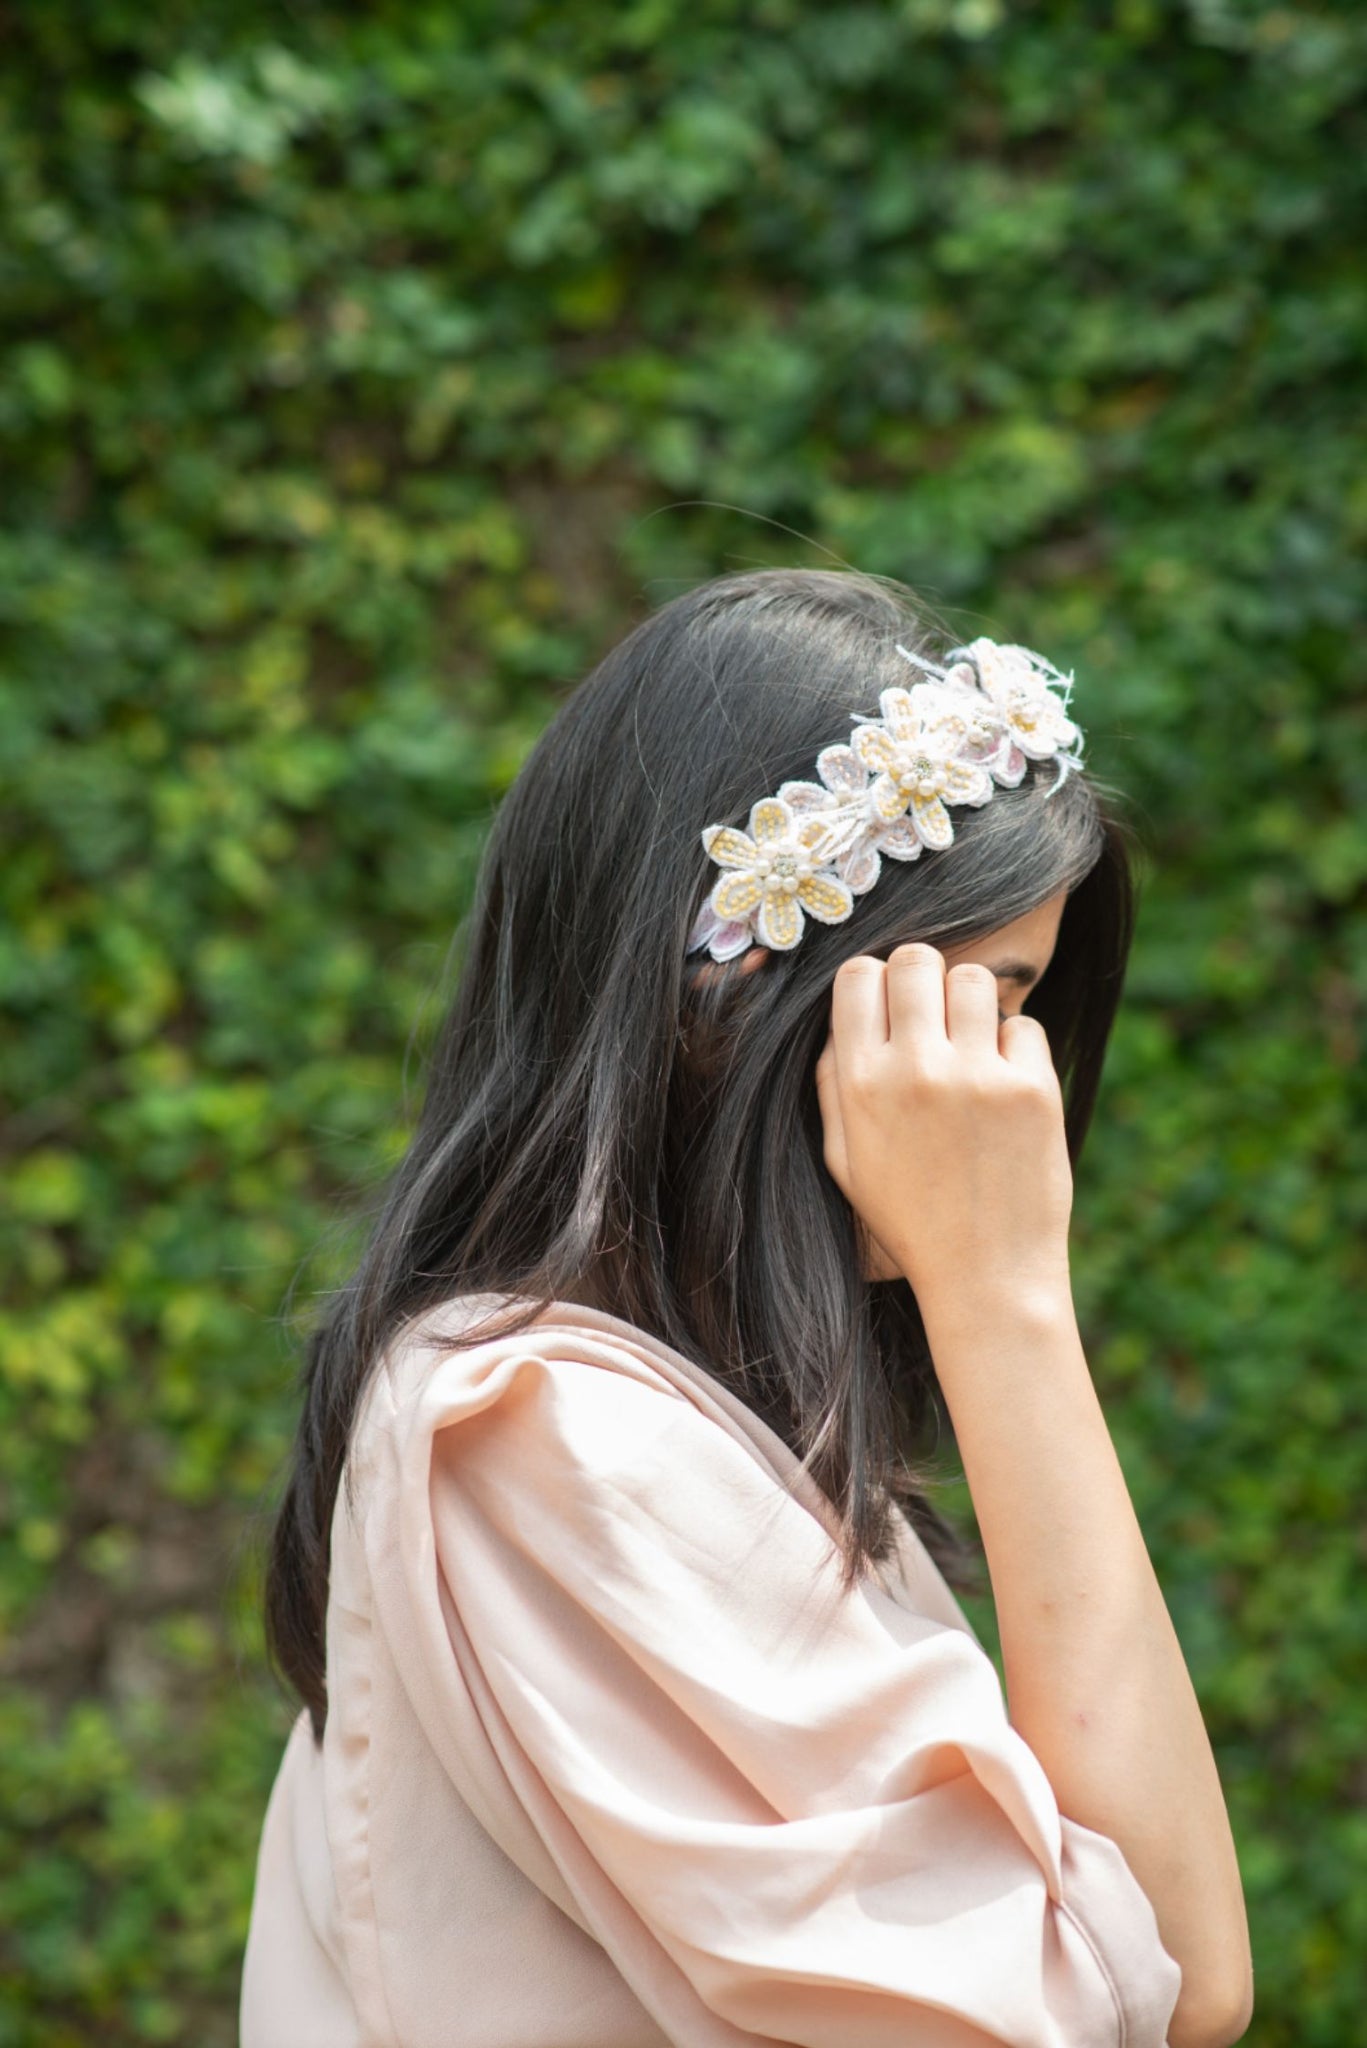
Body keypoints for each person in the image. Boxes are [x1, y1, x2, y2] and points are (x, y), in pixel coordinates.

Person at [241, 567, 1253, 2047]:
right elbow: (1152, 1985)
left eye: (1019, 1010)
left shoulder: (696, 1427)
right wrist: (1009, 1295)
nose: (1004, 1085)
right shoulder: (551, 1437)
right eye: (959, 1007)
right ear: (720, 1007)